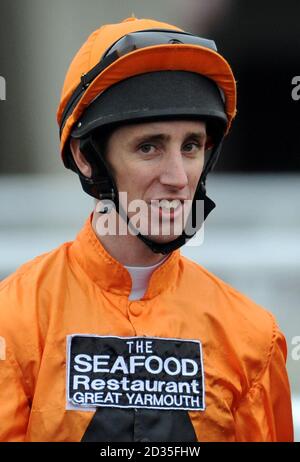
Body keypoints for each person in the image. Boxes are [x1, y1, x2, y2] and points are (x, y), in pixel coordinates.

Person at [0, 16, 294, 442]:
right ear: (87, 157)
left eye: (190, 146)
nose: (177, 176)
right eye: (149, 146)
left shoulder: (251, 336)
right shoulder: (13, 323)